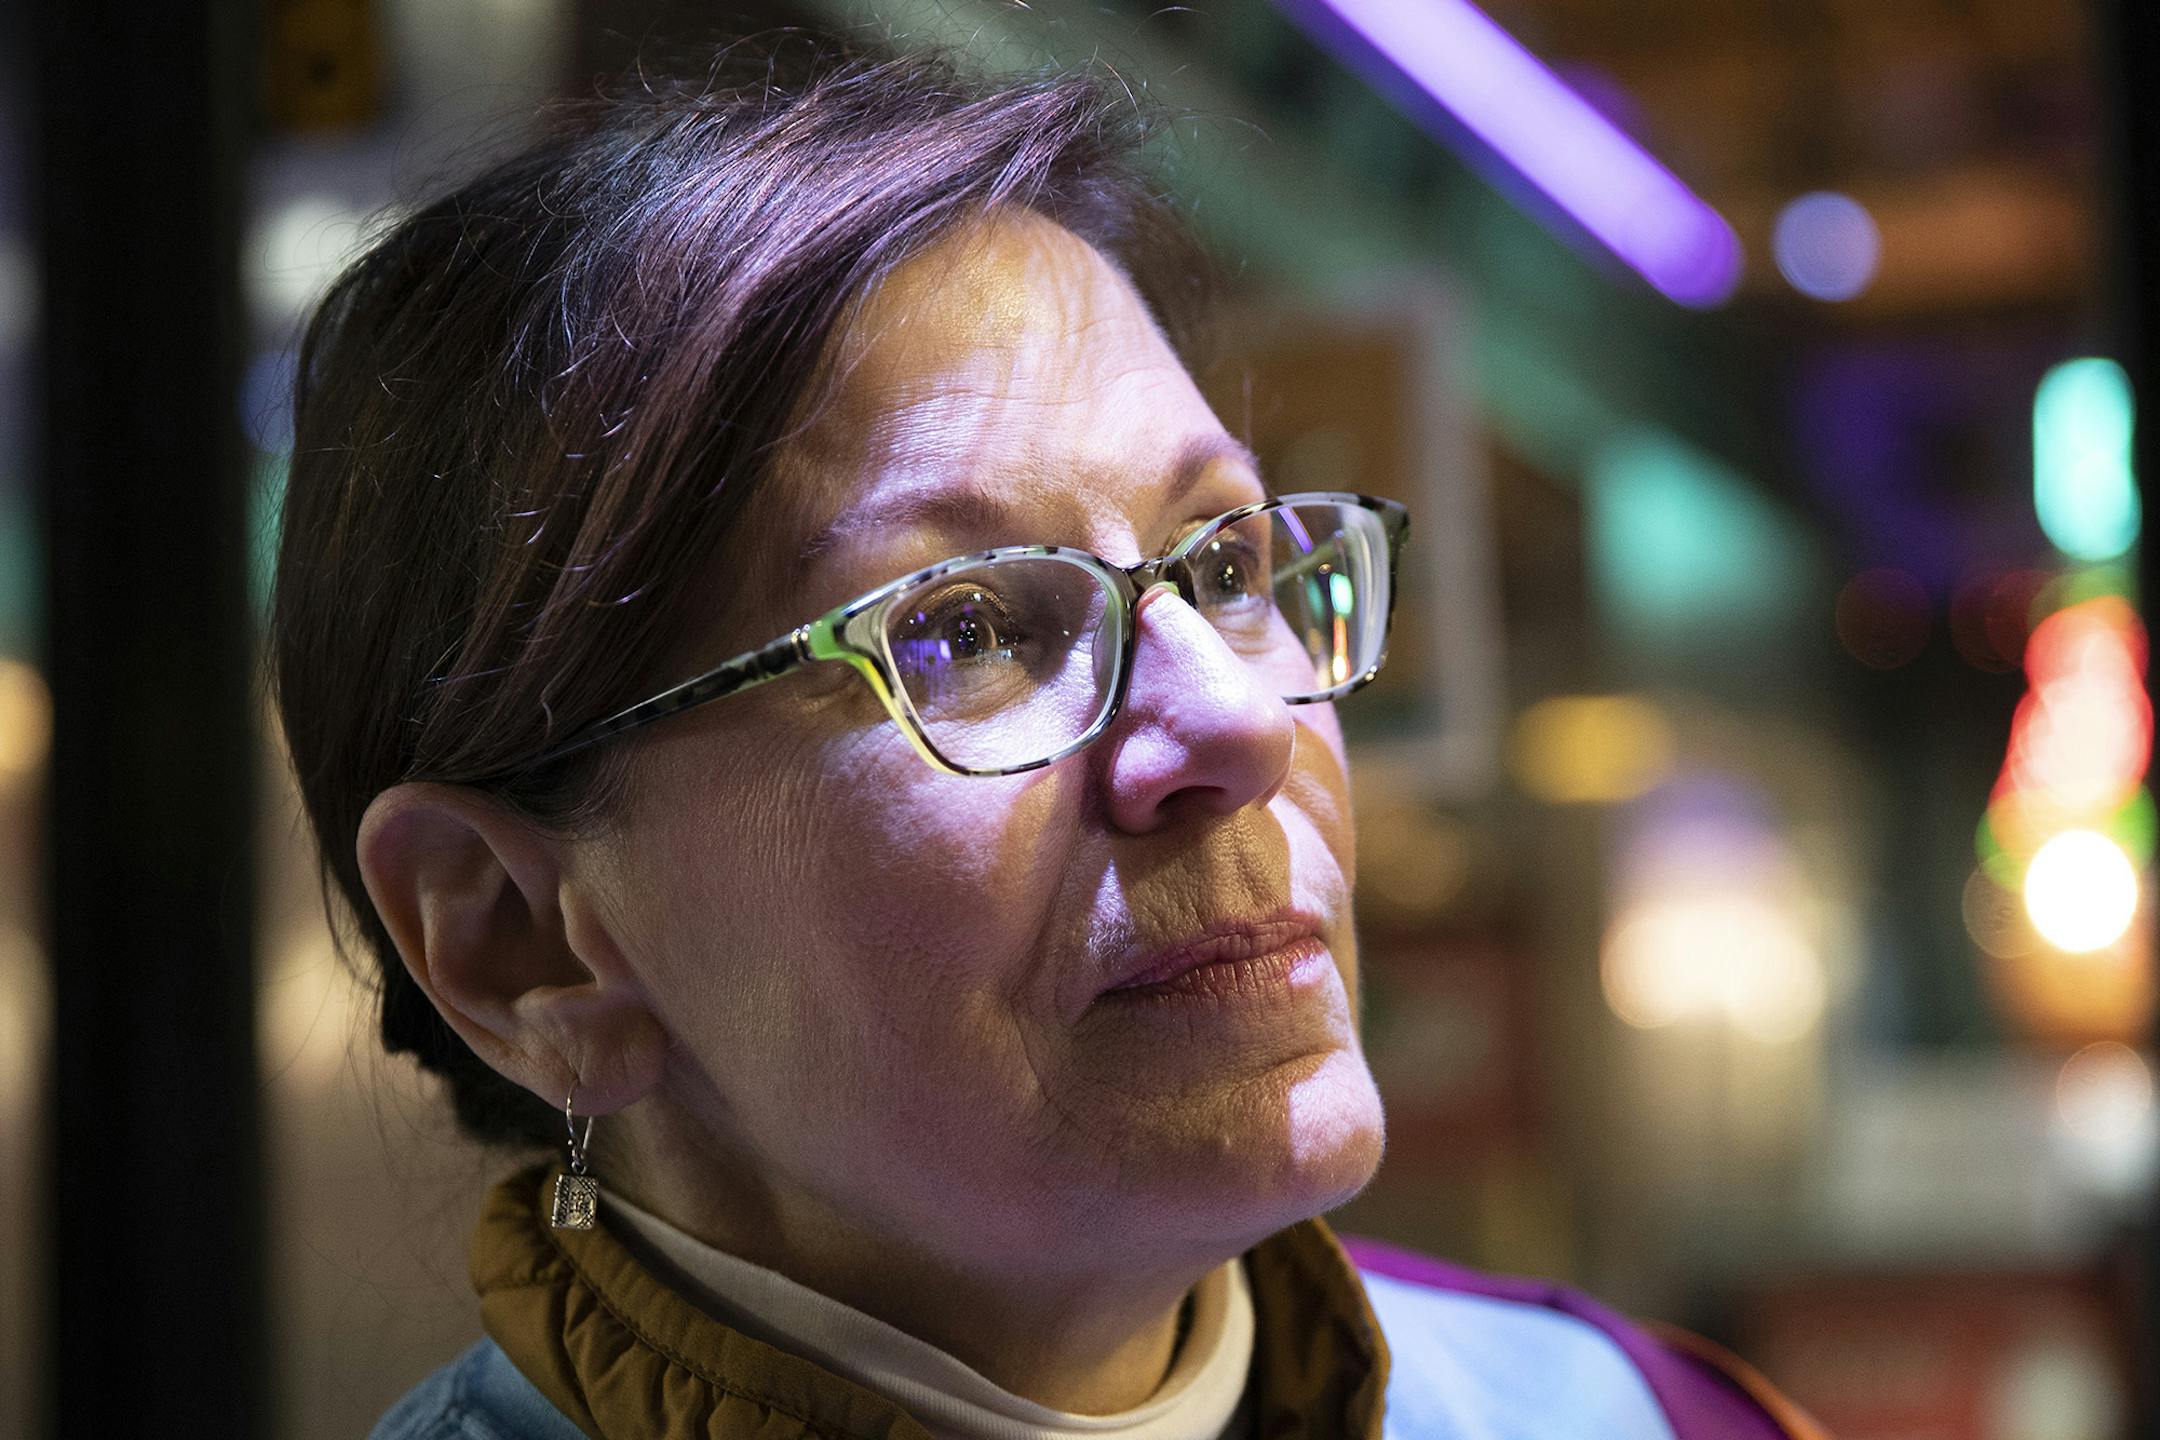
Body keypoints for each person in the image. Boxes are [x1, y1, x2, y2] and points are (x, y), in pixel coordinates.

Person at [271, 34, 1827, 1440]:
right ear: (518, 943)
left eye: (1227, 566)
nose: (1238, 727)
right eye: (965, 630)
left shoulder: (1646, 1417)